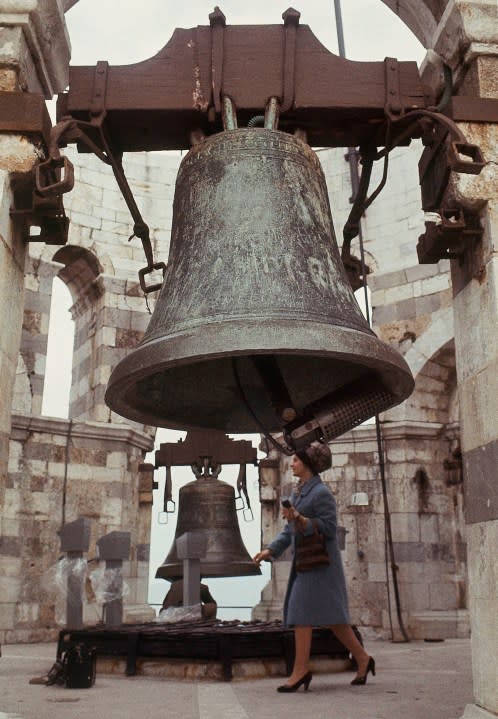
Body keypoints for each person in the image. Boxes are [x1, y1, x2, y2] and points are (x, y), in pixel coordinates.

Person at [253, 440, 375, 693]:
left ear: (307, 464)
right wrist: (271, 550)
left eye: (296, 460)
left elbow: (329, 528)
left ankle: (300, 671)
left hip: (321, 564)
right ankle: (363, 658)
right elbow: (290, 531)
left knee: (301, 614)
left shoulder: (321, 493)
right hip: (306, 563)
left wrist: (300, 518)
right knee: (334, 620)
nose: (293, 464)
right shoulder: (299, 492)